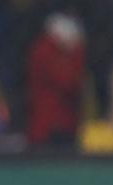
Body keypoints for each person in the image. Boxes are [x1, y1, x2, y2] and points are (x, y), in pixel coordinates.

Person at [26, 11, 86, 148]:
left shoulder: (66, 50)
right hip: (48, 129)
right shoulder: (45, 49)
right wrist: (74, 52)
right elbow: (67, 81)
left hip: (67, 125)